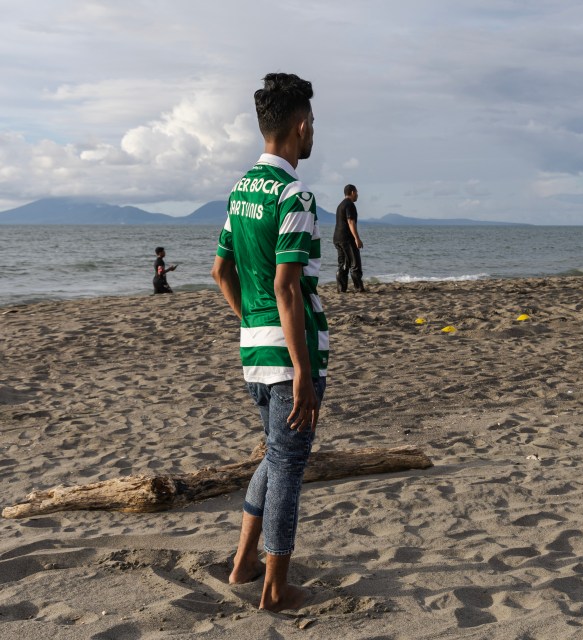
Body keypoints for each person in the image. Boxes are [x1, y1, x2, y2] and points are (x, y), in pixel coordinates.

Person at [211, 72, 329, 613]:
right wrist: (303, 369)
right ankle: (276, 588)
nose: (313, 135)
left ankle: (242, 563)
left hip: (253, 352)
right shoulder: (292, 193)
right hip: (287, 358)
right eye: (312, 125)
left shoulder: (240, 192)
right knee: (287, 466)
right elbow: (286, 286)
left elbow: (220, 271)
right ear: (300, 125)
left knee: (274, 456)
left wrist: (251, 323)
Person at [333, 184, 364, 292]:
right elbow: (350, 221)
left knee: (343, 264)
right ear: (352, 192)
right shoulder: (349, 205)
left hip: (337, 238)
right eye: (356, 192)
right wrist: (357, 238)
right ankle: (359, 288)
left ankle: (341, 289)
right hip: (346, 238)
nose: (357, 195)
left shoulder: (340, 205)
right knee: (355, 264)